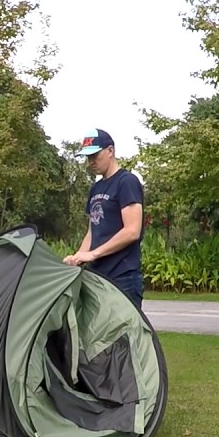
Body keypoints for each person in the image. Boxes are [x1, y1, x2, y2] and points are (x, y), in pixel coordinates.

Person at [63, 128, 146, 310]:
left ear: (110, 151)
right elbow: (92, 232)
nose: (91, 161)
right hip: (98, 278)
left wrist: (93, 254)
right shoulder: (96, 189)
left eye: (95, 155)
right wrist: (78, 258)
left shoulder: (126, 182)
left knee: (123, 339)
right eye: (87, 157)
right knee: (98, 338)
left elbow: (132, 231)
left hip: (123, 279)